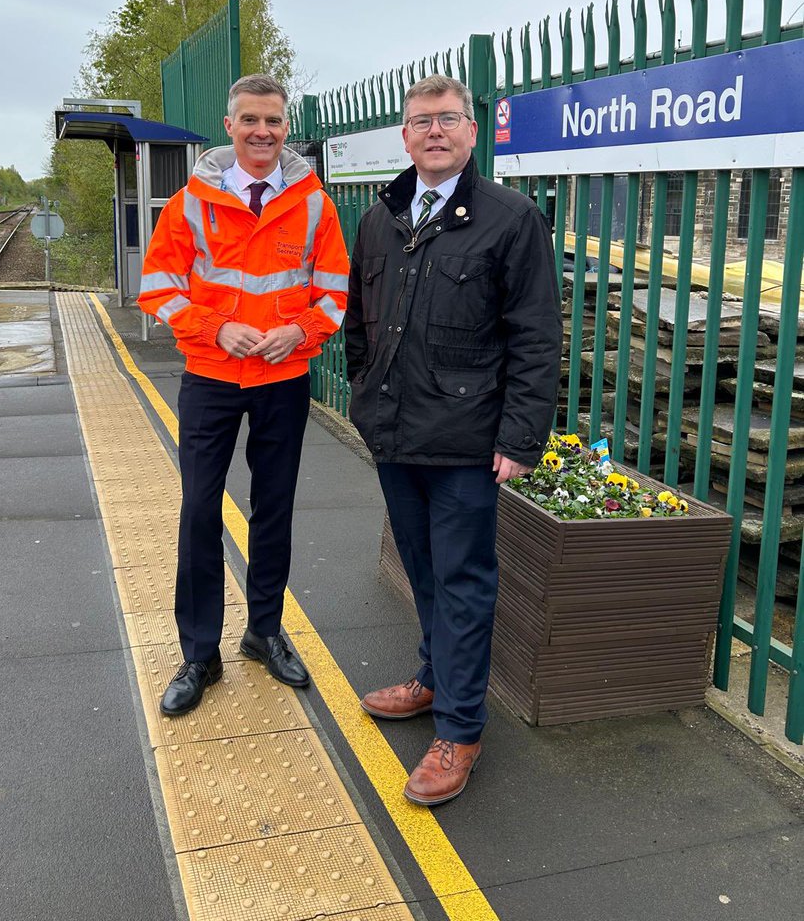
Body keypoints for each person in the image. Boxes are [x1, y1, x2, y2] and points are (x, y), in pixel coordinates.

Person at [345, 74, 562, 805]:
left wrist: (520, 436)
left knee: (464, 584)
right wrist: (365, 392)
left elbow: (536, 339)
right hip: (396, 434)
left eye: (447, 119)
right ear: (403, 137)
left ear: (472, 132)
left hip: (469, 443)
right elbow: (358, 322)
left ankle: (461, 729)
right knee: (425, 572)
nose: (433, 131)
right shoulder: (382, 216)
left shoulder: (510, 217)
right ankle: (435, 679)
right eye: (420, 122)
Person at [138, 73, 349, 716]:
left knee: (274, 509)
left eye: (274, 122)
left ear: (287, 129)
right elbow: (158, 287)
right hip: (210, 376)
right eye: (250, 121)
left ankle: (264, 631)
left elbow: (335, 294)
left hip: (283, 379)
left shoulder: (314, 203)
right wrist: (215, 326)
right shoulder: (190, 202)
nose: (262, 132)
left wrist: (300, 330)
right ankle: (199, 652)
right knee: (200, 510)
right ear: (229, 127)